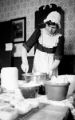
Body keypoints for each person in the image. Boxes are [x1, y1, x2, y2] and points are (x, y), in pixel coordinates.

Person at [21, 10, 64, 77]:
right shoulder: (39, 32)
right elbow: (24, 48)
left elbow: (57, 60)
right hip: (38, 65)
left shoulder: (59, 38)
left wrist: (51, 69)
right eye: (48, 26)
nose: (50, 30)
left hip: (51, 67)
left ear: (57, 27)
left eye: (53, 28)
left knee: (49, 85)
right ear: (45, 23)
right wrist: (24, 62)